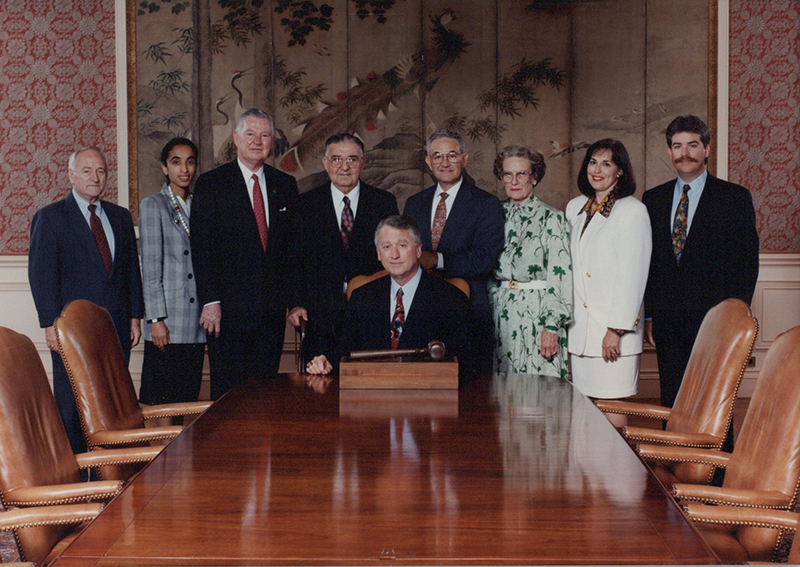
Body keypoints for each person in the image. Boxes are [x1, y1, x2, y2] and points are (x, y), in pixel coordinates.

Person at [28, 146, 144, 453]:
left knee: (113, 403)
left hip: (117, 326)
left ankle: (114, 474)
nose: (95, 177)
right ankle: (79, 480)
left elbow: (131, 271)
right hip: (71, 330)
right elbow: (42, 274)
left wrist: (135, 316)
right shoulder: (50, 218)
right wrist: (51, 323)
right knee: (72, 407)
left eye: (101, 171)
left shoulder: (119, 217)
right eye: (87, 171)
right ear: (71, 175)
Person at [643, 115, 759, 410]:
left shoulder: (734, 198)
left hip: (715, 318)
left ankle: (718, 456)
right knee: (672, 397)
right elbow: (650, 263)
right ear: (669, 152)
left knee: (715, 399)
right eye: (677, 146)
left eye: (693, 145)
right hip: (667, 318)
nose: (685, 153)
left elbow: (746, 263)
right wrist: (650, 316)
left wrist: (735, 316)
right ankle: (674, 455)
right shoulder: (653, 199)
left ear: (706, 149)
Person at [190, 108, 299, 399]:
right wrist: (210, 301)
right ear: (236, 138)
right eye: (250, 134)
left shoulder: (285, 185)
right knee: (228, 396)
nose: (257, 141)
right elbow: (202, 248)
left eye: (264, 135)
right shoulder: (212, 184)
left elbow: (291, 253)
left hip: (271, 315)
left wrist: (295, 302)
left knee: (265, 395)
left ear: (272, 141)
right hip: (227, 313)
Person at [306, 215, 470, 375]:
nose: (394, 255)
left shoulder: (451, 298)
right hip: (370, 394)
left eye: (402, 246)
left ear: (418, 250)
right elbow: (345, 351)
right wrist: (326, 361)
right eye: (387, 247)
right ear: (378, 253)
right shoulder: (362, 297)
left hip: (427, 394)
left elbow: (463, 361)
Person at [287, 133, 398, 365]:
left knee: (366, 386)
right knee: (319, 387)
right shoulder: (305, 205)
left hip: (370, 312)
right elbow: (293, 261)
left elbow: (392, 258)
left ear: (362, 162)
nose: (344, 167)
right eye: (337, 159)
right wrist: (296, 303)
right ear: (325, 163)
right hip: (319, 314)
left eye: (352, 160)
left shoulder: (383, 202)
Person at [403, 130, 504, 374]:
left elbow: (484, 259)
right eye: (437, 156)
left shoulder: (486, 204)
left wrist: (437, 260)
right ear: (428, 162)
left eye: (452, 155)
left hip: (468, 309)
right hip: (421, 308)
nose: (445, 163)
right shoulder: (414, 203)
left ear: (464, 159)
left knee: (470, 388)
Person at [566, 139, 652, 407]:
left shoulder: (633, 211)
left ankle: (616, 452)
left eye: (606, 163)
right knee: (584, 409)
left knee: (611, 405)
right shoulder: (574, 208)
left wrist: (615, 329)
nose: (597, 169)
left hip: (612, 331)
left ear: (620, 171)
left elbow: (633, 276)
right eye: (593, 162)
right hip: (580, 331)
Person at [488, 145, 572, 379]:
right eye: (508, 174)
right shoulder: (493, 215)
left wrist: (552, 326)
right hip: (500, 315)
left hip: (538, 316)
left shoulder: (552, 218)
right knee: (499, 397)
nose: (514, 181)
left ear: (534, 177)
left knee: (540, 396)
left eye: (522, 174)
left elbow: (561, 275)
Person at [139, 138, 205, 407]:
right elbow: (151, 268)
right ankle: (159, 450)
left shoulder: (201, 203)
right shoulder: (153, 205)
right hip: (167, 320)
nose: (184, 169)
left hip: (196, 321)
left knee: (185, 398)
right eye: (176, 162)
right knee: (160, 401)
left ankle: (179, 451)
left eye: (190, 162)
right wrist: (156, 319)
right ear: (165, 168)